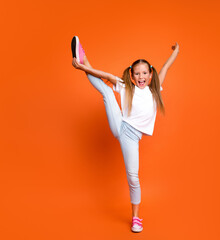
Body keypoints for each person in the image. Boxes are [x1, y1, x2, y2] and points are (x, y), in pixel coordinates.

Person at [71, 36, 179, 233]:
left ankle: (136, 218)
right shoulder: (126, 85)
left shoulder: (155, 90)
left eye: (144, 73)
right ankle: (82, 59)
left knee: (133, 176)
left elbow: (165, 68)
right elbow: (104, 75)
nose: (141, 76)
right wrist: (83, 68)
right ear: (132, 75)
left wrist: (175, 52)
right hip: (119, 122)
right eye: (137, 73)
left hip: (130, 137)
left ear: (150, 74)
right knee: (106, 90)